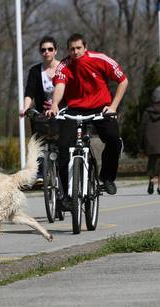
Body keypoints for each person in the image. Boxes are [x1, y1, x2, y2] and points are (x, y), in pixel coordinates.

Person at [46, 33, 128, 207]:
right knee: (63, 148)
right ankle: (67, 195)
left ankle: (107, 177)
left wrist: (113, 107)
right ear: (68, 50)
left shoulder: (101, 59)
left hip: (100, 108)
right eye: (72, 49)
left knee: (113, 140)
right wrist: (54, 105)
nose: (75, 52)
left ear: (85, 47)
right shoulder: (64, 65)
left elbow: (123, 80)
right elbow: (60, 85)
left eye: (78, 48)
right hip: (75, 110)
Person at [20, 36, 62, 183]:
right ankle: (40, 172)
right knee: (39, 143)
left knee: (62, 144)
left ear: (55, 51)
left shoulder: (63, 69)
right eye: (43, 50)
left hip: (62, 113)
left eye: (50, 49)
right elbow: (29, 93)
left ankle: (65, 174)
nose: (47, 52)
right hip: (42, 115)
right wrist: (25, 107)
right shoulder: (35, 71)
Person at [139, 86, 160, 195]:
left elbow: (142, 128)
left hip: (151, 142)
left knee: (152, 162)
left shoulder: (147, 112)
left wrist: (141, 146)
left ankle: (151, 181)